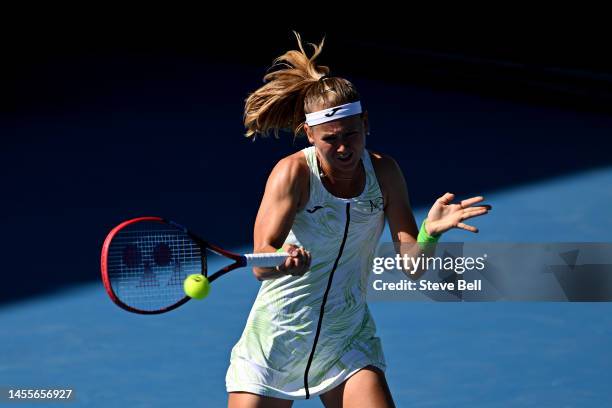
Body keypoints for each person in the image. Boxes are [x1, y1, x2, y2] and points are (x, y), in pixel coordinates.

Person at [226, 33, 491, 408]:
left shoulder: (385, 173)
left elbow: (413, 266)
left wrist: (429, 232)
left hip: (346, 338)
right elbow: (260, 262)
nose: (344, 148)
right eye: (330, 139)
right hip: (277, 338)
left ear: (365, 123)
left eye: (351, 134)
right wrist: (282, 261)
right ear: (309, 134)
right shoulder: (292, 174)